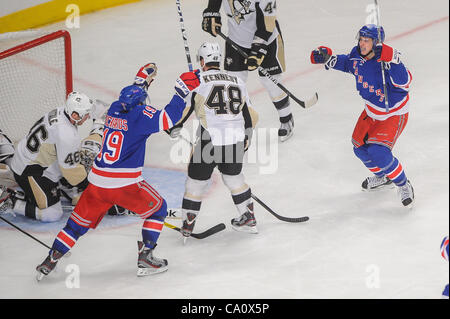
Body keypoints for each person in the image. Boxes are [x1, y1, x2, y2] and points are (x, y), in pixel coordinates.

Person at [35, 62, 190, 279]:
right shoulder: (141, 117)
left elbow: (133, 98)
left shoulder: (115, 108)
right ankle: (146, 256)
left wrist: (141, 82)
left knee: (75, 227)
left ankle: (50, 261)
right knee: (158, 209)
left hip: (97, 183)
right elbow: (168, 118)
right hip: (124, 185)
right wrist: (181, 92)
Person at [310, 24, 414, 208]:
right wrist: (328, 58)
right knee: (359, 147)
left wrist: (395, 60)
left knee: (378, 151)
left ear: (375, 43)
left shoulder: (387, 62)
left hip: (392, 114)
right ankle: (383, 177)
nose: (362, 43)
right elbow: (348, 64)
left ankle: (403, 184)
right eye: (361, 39)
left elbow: (405, 83)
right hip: (371, 111)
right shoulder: (356, 54)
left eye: (366, 40)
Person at [169, 42, 259, 241]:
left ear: (202, 61)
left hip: (210, 141)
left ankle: (187, 225)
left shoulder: (197, 81)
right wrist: (247, 137)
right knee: (234, 179)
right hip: (236, 139)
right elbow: (251, 114)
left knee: (195, 183)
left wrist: (173, 127)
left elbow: (183, 114)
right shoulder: (237, 80)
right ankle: (248, 217)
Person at [201, 0, 294, 142]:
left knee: (271, 82)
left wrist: (258, 48)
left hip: (267, 39)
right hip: (236, 39)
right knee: (234, 85)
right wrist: (212, 11)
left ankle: (286, 118)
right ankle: (243, 125)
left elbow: (268, 22)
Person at [0, 92, 98, 221]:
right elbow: (72, 172)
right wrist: (92, 189)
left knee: (69, 165)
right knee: (52, 214)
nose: (88, 116)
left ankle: (64, 186)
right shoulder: (67, 134)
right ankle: (9, 202)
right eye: (85, 114)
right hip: (29, 171)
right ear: (75, 115)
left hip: (26, 156)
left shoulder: (60, 111)